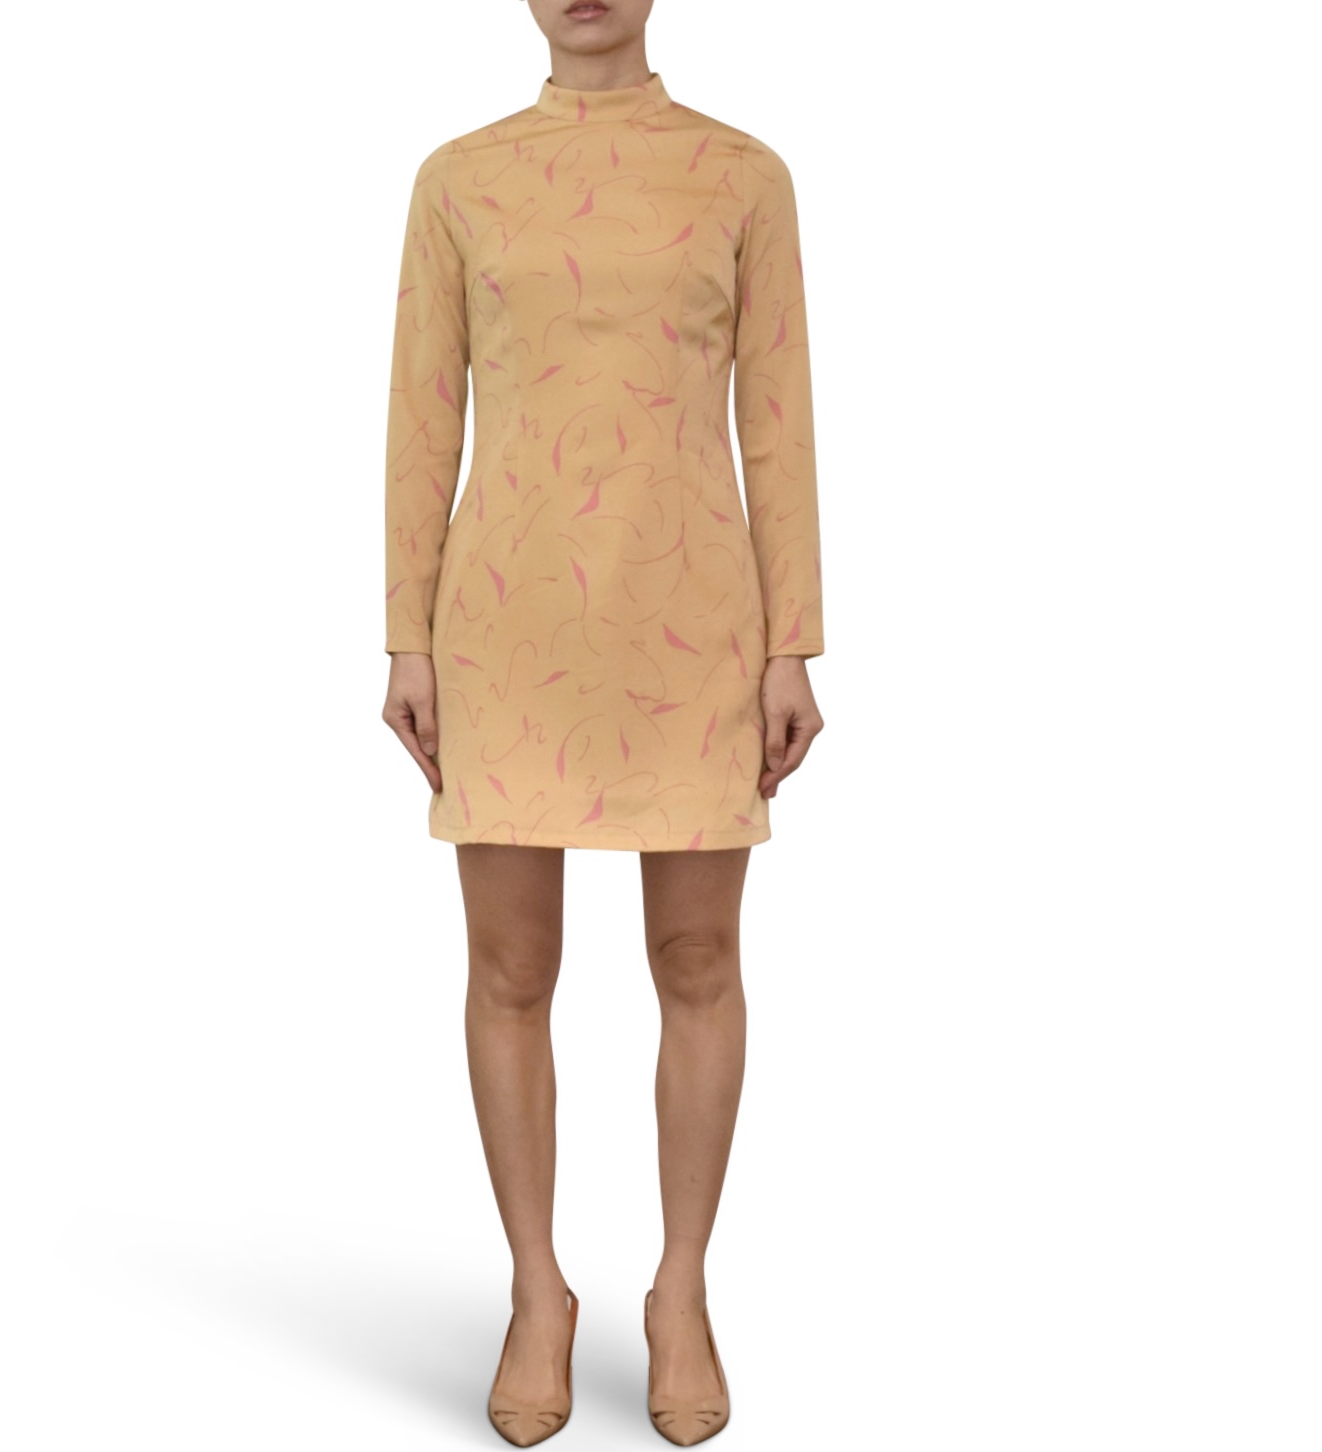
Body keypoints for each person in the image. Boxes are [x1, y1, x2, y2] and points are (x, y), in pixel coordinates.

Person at [380, 1, 825, 1444]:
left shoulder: (743, 174)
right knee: (510, 969)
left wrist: (794, 642)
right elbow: (421, 418)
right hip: (506, 627)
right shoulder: (458, 178)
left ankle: (680, 1287)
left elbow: (778, 422)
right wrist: (405, 633)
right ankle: (535, 1288)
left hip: (694, 621)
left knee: (698, 960)